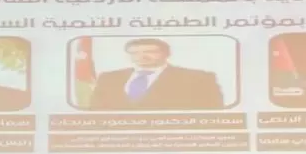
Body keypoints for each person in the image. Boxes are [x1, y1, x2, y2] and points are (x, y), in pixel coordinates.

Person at [89, 38, 224, 110]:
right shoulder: (108, 78)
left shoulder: (198, 78)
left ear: (167, 53)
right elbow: (95, 110)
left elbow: (212, 111)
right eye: (135, 53)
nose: (142, 56)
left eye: (150, 52)